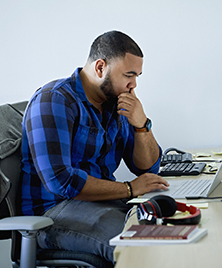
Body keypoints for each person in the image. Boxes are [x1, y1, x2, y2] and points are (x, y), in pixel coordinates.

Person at [19, 30, 170, 263]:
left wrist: (141, 125)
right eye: (129, 75)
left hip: (101, 204)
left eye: (138, 76)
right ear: (100, 68)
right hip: (54, 212)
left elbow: (148, 167)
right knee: (141, 248)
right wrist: (129, 189)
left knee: (169, 230)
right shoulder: (54, 100)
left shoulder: (116, 103)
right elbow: (61, 180)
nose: (134, 84)